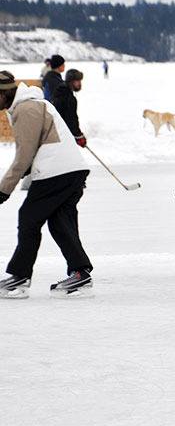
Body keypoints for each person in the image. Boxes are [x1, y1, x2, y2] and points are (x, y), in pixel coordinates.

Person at [0, 71, 93, 298]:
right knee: (60, 222)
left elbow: (25, 155)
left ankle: (19, 277)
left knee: (29, 217)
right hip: (69, 169)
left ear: (4, 94)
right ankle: (81, 274)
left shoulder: (27, 109)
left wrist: (3, 190)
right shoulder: (31, 104)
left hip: (57, 171)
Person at [52, 69, 87, 147]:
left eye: (80, 81)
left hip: (56, 133)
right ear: (70, 81)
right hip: (61, 134)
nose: (80, 83)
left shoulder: (60, 91)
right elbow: (71, 119)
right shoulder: (68, 98)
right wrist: (79, 136)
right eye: (77, 81)